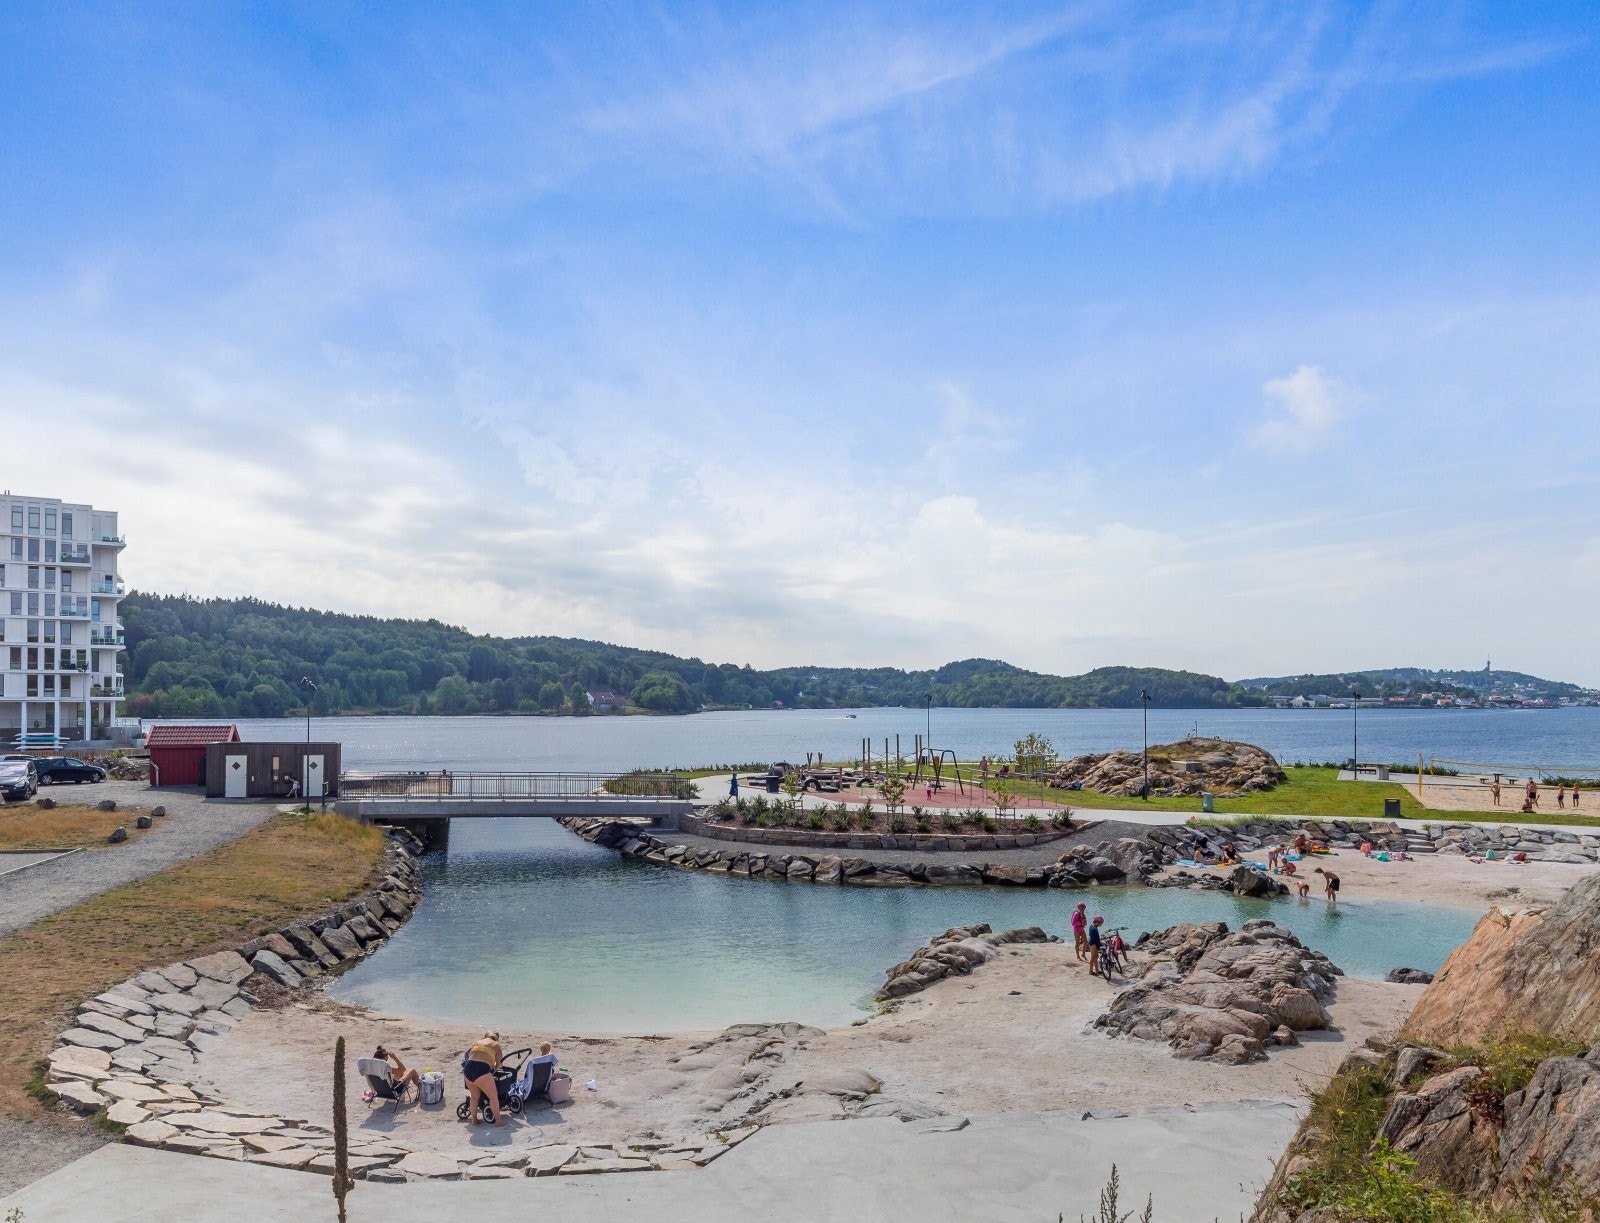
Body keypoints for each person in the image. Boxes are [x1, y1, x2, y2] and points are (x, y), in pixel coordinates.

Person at [462, 1031, 506, 1126]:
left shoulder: (477, 1042)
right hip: (481, 1069)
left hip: (467, 1069)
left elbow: (470, 1056)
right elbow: (498, 1064)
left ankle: (474, 1120)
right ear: (496, 1039)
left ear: (485, 1037)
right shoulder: (496, 1045)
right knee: (493, 1097)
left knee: (474, 1097)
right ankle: (498, 1121)